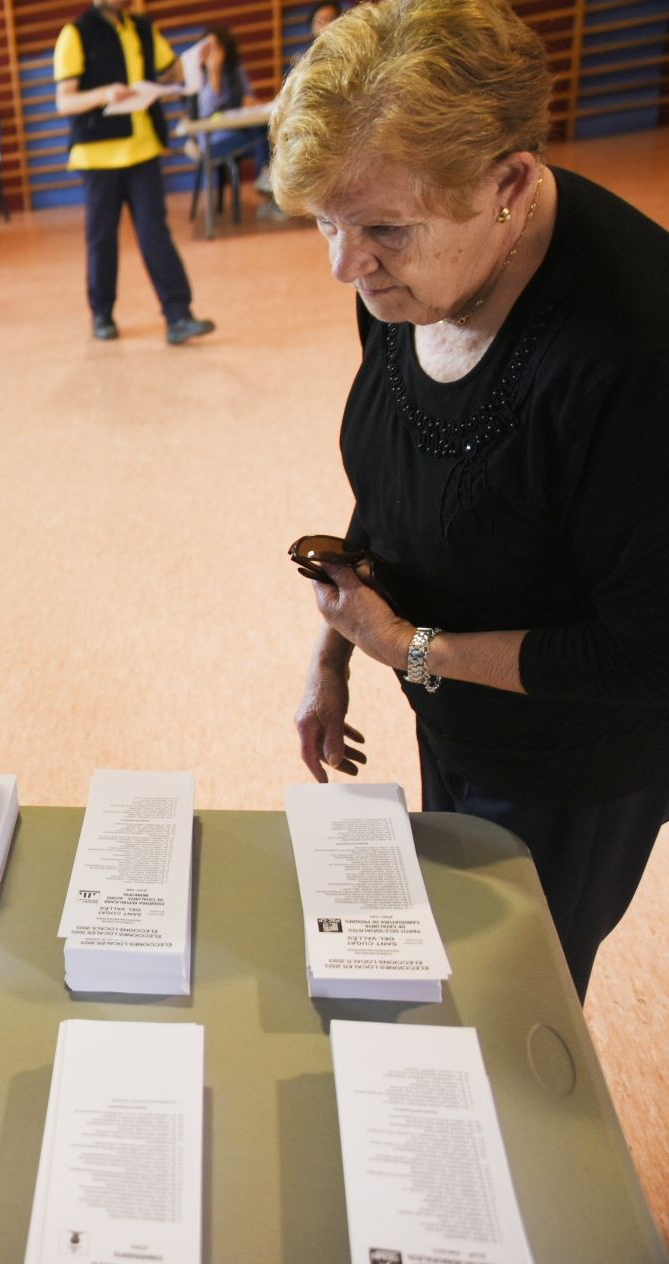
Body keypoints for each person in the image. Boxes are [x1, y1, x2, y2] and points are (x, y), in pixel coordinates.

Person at [276, 0, 669, 998]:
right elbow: (406, 480)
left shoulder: (632, 346)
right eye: (326, 221)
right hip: (452, 707)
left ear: (508, 182)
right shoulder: (413, 279)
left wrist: (405, 645)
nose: (343, 264)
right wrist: (338, 654)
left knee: (511, 994)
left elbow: (642, 650)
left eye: (381, 231)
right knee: (447, 959)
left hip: (574, 757)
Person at [53, 0, 216, 344]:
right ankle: (102, 314)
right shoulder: (76, 33)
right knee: (102, 238)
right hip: (97, 156)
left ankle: (179, 315)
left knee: (155, 232)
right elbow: (65, 102)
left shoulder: (143, 28)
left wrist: (194, 62)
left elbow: (171, 73)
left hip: (143, 150)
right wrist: (104, 94)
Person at [190, 28, 278, 213]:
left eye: (217, 46)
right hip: (210, 137)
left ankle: (267, 178)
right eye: (208, 47)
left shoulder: (235, 70)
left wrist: (249, 101)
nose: (213, 51)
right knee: (261, 135)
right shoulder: (196, 75)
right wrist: (214, 71)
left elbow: (248, 96)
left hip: (239, 129)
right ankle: (266, 176)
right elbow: (207, 110)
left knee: (263, 127)